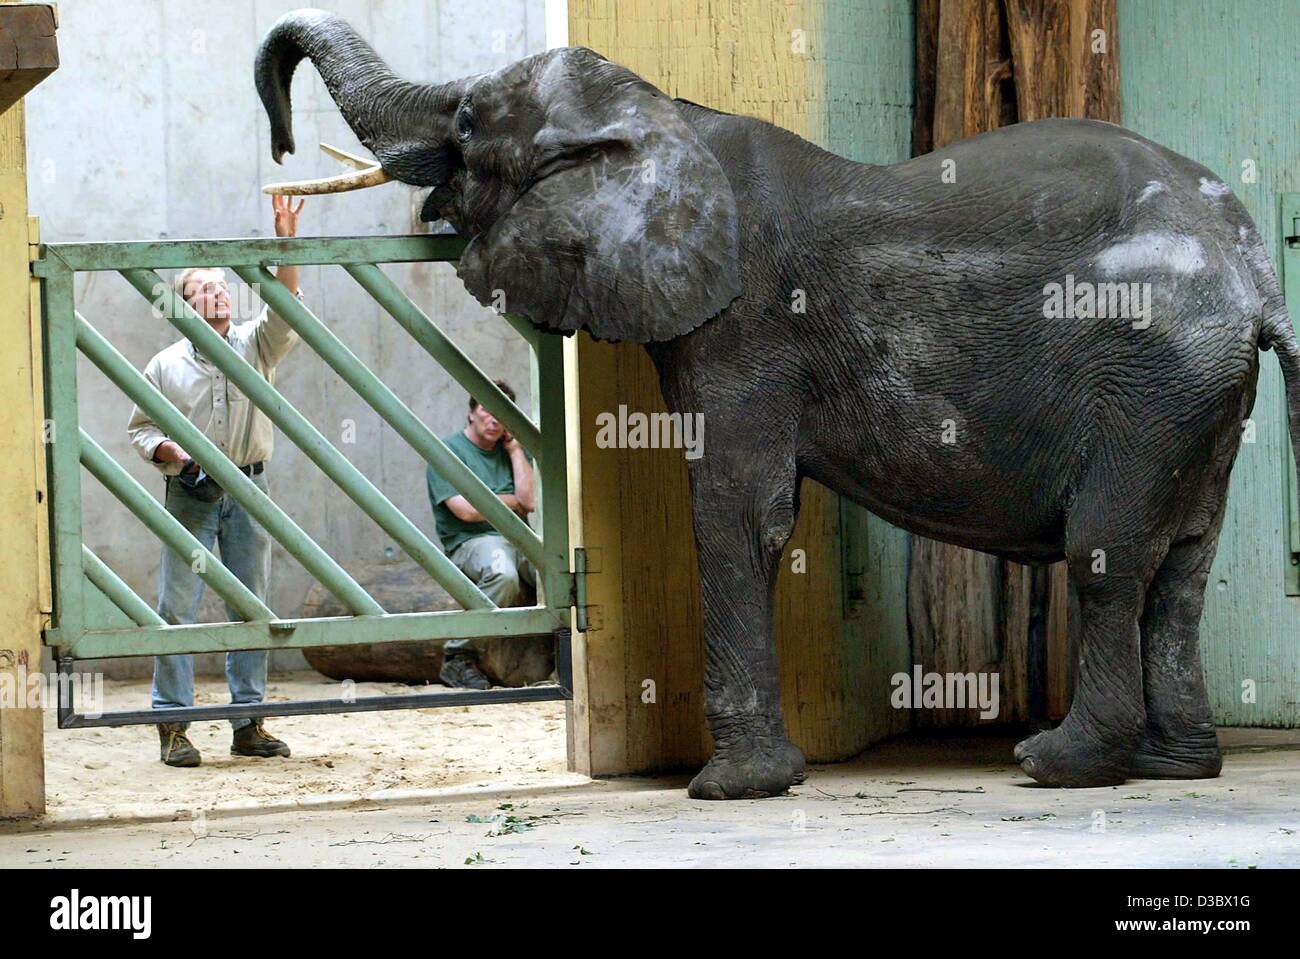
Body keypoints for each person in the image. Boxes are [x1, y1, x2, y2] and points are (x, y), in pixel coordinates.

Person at [126, 195, 306, 767]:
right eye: (203, 288)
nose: (219, 293)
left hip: (250, 487)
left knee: (250, 605)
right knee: (176, 607)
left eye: (223, 285)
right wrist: (167, 449)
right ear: (181, 306)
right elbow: (140, 430)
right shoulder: (164, 365)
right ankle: (173, 726)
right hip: (192, 491)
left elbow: (287, 311)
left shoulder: (256, 344)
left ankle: (247, 723)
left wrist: (285, 243)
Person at [427, 380, 536, 690]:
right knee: (504, 575)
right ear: (471, 412)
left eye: (503, 414)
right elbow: (467, 511)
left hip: (520, 538)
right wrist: (509, 500)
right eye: (488, 411)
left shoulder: (512, 450)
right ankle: (457, 656)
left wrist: (515, 449)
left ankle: (560, 654)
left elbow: (528, 502)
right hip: (472, 543)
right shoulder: (448, 451)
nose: (494, 420)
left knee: (553, 570)